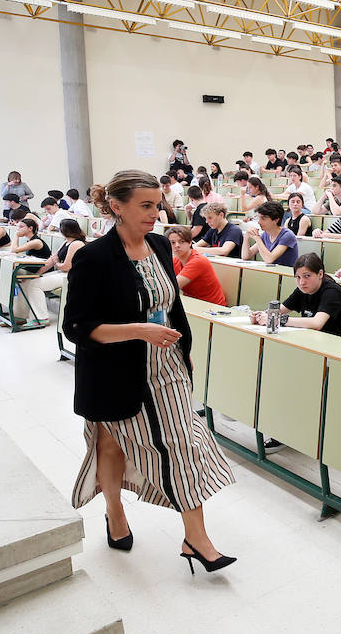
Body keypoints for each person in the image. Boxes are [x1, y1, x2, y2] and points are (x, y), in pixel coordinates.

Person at [64, 170, 236, 574]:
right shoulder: (94, 257)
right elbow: (77, 327)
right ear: (116, 207)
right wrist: (139, 330)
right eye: (145, 206)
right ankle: (115, 512)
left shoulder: (159, 245)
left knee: (180, 445)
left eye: (157, 204)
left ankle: (196, 538)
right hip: (114, 370)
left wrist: (182, 347)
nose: (155, 213)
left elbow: (171, 304)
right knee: (110, 446)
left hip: (166, 364)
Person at [17, 217, 86, 321]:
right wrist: (36, 274)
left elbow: (67, 266)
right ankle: (21, 317)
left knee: (33, 285)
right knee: (27, 282)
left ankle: (41, 318)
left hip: (72, 276)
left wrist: (56, 263)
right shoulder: (66, 242)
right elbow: (52, 260)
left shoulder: (77, 243)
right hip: (62, 272)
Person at [280, 253, 341, 337]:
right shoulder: (302, 289)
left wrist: (280, 320)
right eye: (298, 277)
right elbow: (279, 310)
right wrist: (266, 315)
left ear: (320, 274)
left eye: (307, 276)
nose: (302, 282)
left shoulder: (332, 291)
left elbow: (317, 324)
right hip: (315, 337)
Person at [167, 224, 228, 305]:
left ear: (189, 243)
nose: (177, 245)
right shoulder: (175, 260)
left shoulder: (197, 261)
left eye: (181, 241)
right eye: (172, 243)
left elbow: (172, 286)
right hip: (193, 303)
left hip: (212, 307)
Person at [242, 201, 299, 267]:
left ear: (276, 220)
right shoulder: (265, 234)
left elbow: (269, 259)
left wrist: (257, 238)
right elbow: (246, 256)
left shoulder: (287, 235)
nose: (259, 222)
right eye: (259, 218)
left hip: (286, 275)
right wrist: (246, 237)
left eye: (263, 218)